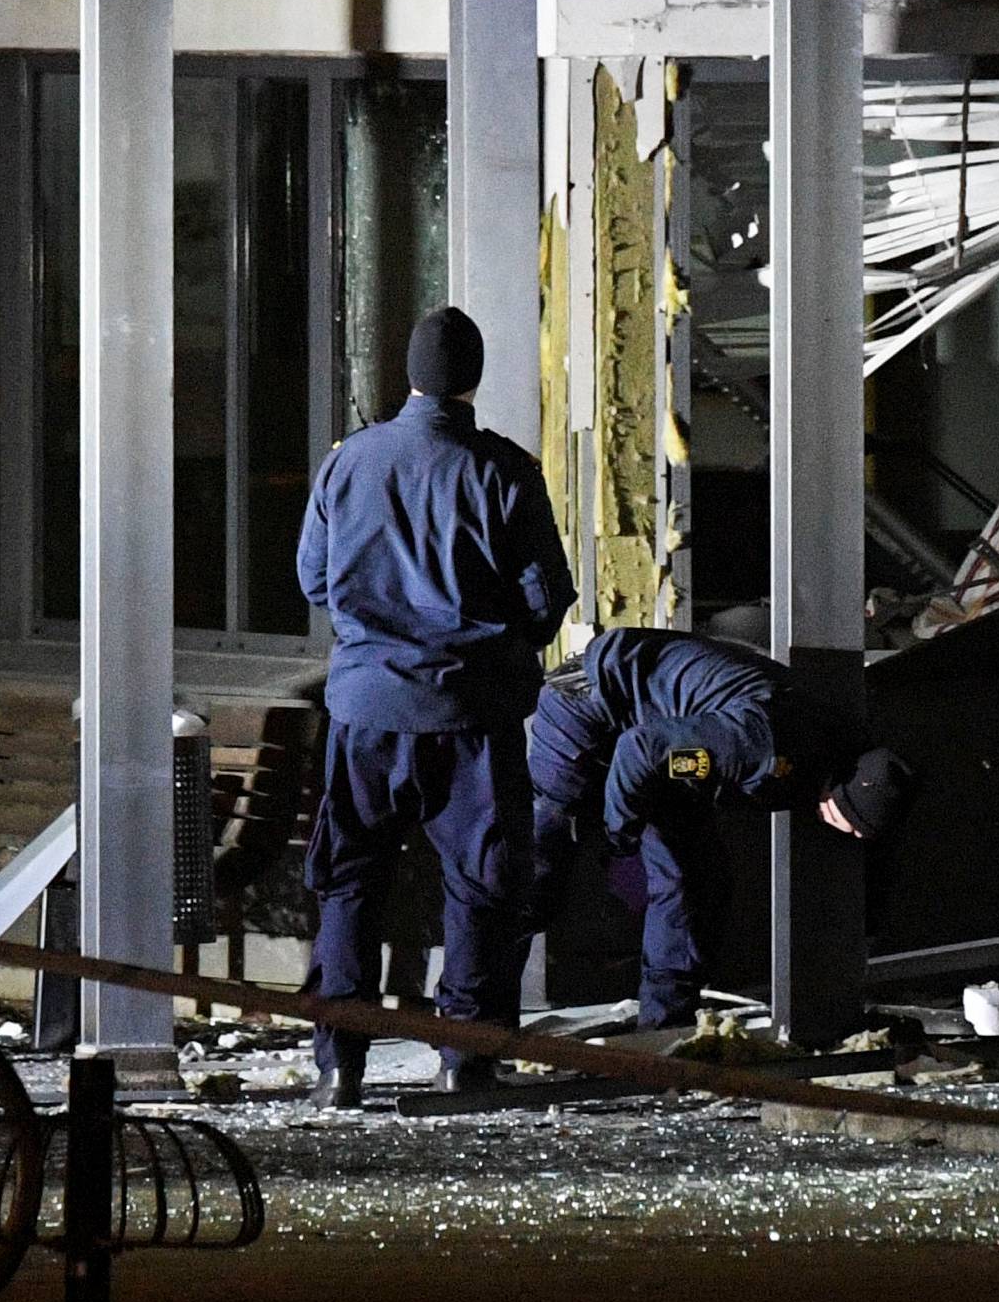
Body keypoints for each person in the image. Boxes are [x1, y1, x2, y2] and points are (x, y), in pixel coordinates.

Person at [296, 305, 575, 1108]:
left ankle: (337, 1066)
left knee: (350, 883)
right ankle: (466, 1058)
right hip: (471, 716)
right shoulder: (505, 471)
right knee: (482, 885)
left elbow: (315, 580)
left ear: (409, 375)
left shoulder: (346, 464)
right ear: (475, 378)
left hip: (365, 713)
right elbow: (545, 603)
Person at [527, 627, 914, 1030]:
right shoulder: (756, 745)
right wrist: (619, 840)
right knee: (544, 861)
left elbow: (664, 757)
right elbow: (640, 752)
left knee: (693, 885)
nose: (850, 837)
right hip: (590, 705)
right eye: (852, 825)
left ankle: (665, 1032)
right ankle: (481, 1024)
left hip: (662, 725)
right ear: (840, 795)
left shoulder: (848, 752)